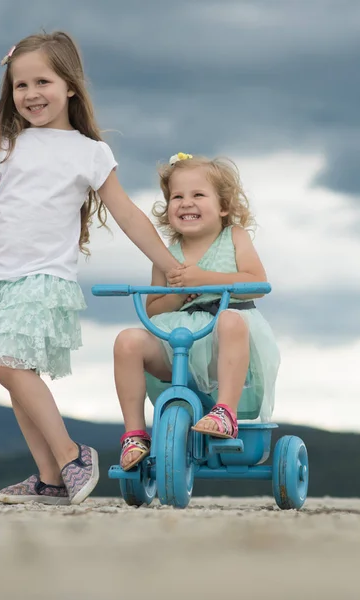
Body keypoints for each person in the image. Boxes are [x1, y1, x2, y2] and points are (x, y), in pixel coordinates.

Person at [0, 32, 180, 505]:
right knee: (17, 376)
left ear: (71, 86)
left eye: (43, 81)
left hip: (44, 280)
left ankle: (71, 455)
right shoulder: (2, 145)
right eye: (21, 85)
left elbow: (126, 214)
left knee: (9, 365)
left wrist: (169, 265)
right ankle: (49, 480)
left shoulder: (89, 152)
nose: (31, 94)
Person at [113, 152, 281, 471]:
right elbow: (154, 309)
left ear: (223, 207)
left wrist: (204, 279)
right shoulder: (166, 254)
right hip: (179, 345)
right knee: (127, 341)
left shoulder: (233, 237)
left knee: (231, 319)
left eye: (198, 195)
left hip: (225, 340)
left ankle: (224, 413)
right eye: (177, 196)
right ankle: (135, 434)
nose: (186, 203)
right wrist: (178, 294)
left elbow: (257, 282)